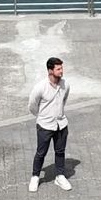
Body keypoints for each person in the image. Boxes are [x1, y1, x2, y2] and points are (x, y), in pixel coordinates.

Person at [27, 57, 71, 192]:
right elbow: (32, 106)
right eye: (58, 69)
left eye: (61, 68)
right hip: (45, 126)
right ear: (50, 70)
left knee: (60, 151)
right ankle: (35, 176)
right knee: (41, 153)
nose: (61, 71)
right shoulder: (40, 87)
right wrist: (42, 117)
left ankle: (60, 176)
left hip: (61, 124)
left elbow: (63, 100)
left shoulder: (65, 85)